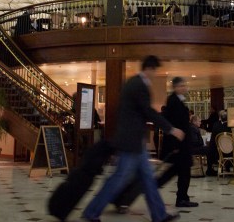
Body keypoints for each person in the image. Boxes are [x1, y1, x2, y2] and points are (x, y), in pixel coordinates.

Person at [82, 56, 184, 222]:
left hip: (135, 142)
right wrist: (171, 129)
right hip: (131, 143)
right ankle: (91, 212)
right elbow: (148, 111)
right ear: (149, 69)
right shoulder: (139, 85)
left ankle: (159, 215)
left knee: (147, 180)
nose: (154, 74)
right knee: (118, 179)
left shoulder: (133, 83)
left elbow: (136, 113)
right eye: (154, 70)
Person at [155, 77, 198, 208]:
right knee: (182, 172)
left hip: (181, 144)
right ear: (175, 87)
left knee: (176, 171)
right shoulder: (173, 101)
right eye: (181, 86)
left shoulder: (178, 100)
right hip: (179, 145)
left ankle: (181, 197)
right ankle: (181, 198)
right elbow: (174, 123)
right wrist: (175, 145)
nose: (184, 88)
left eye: (184, 85)